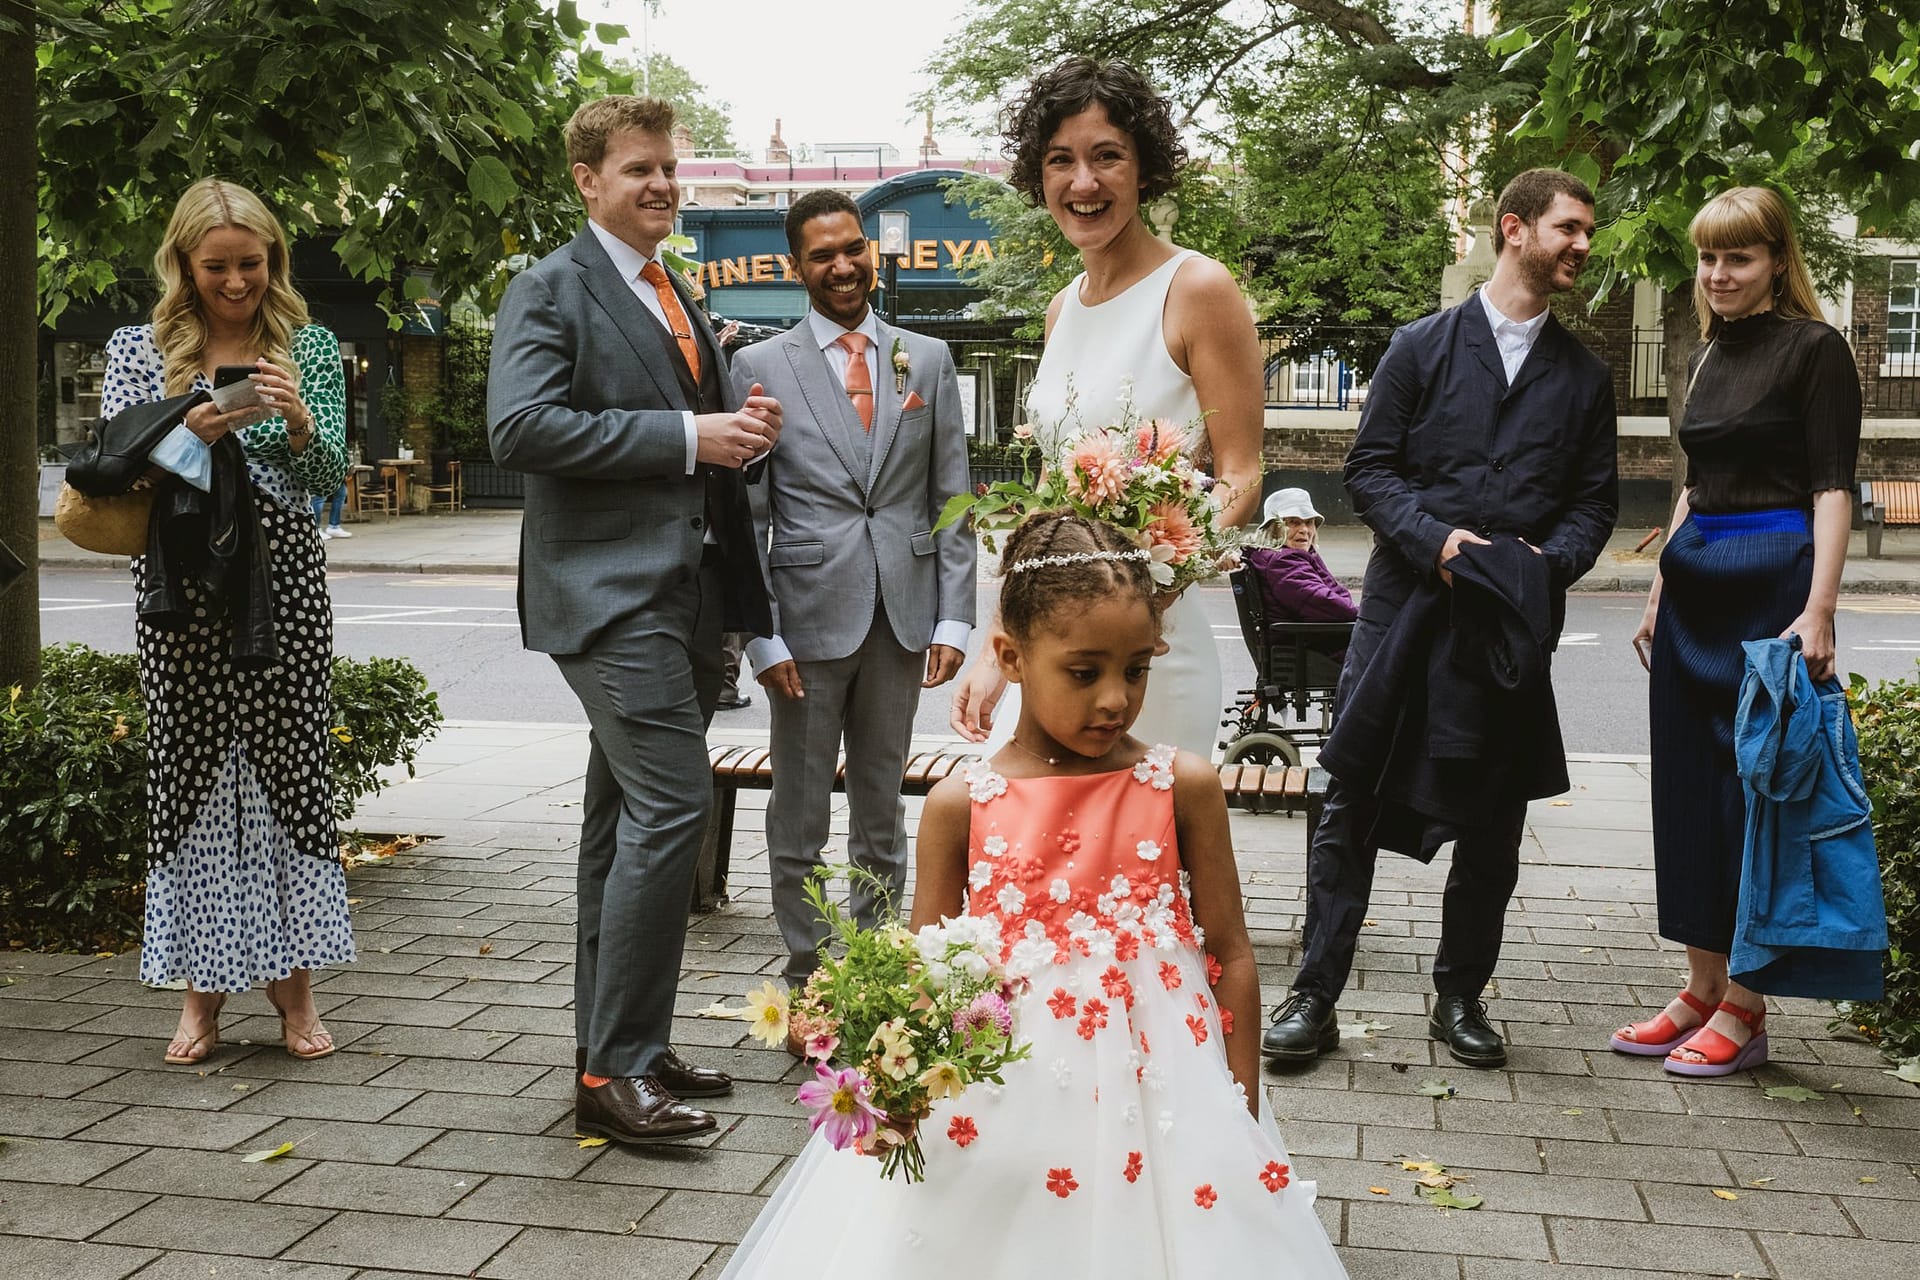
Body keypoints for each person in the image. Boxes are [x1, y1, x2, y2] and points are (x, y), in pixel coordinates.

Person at [720, 512, 1346, 1278]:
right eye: (1085, 673)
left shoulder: (1183, 784)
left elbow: (1233, 952)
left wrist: (1242, 1108)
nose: (1116, 699)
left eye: (1137, 669)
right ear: (1012, 658)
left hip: (1161, 1090)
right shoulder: (962, 803)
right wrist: (882, 1070)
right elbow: (923, 971)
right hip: (1000, 1080)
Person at [1263, 168, 1619, 1070]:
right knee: (1351, 800)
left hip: (1507, 628)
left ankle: (1460, 996)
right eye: (1568, 228)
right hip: (1405, 613)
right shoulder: (1421, 346)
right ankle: (1314, 993)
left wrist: (1546, 567)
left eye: (1588, 231)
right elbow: (1370, 470)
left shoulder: (1583, 378)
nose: (1583, 244)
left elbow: (1593, 507)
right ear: (1514, 228)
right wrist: (1441, 544)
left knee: (1495, 818)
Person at [488, 95, 782, 1145]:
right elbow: (519, 426)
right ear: (587, 179)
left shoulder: (676, 292)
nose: (660, 184)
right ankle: (615, 1073)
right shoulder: (550, 287)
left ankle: (622, 1046)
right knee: (671, 811)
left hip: (684, 597)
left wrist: (735, 432)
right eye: (637, 169)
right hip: (607, 597)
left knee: (621, 828)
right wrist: (685, 434)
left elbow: (697, 444)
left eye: (668, 167)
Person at [101, 178, 353, 1064]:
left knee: (289, 778)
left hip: (281, 582)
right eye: (217, 267)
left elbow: (328, 477)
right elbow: (116, 473)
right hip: (181, 588)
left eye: (252, 263)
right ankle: (198, 1005)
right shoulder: (140, 348)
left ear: (273, 260)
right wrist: (192, 434)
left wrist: (294, 421)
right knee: (190, 782)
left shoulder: (309, 346)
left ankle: (296, 1002)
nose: (237, 282)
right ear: (183, 264)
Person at [949, 56, 1265, 759]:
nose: (1083, 183)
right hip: (1050, 651)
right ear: (1040, 176)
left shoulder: (1198, 287)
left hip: (1147, 654)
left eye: (1107, 157)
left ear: (1144, 168)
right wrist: (996, 646)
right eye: (1060, 160)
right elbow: (1044, 502)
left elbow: (1243, 472)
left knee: (1135, 861)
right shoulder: (1063, 307)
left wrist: (1149, 592)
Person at [1614, 186, 1862, 1076]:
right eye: (1708, 259)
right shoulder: (1711, 351)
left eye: (1738, 259)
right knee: (1686, 786)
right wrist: (1657, 584)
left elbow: (1834, 484)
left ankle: (1747, 1009)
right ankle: (1698, 986)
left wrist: (1820, 606)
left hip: (1771, 580)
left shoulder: (1816, 351)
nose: (1718, 275)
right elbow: (1695, 480)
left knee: (1751, 792)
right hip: (1696, 584)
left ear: (1776, 262)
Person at [729, 190, 976, 990]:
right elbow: (745, 514)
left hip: (902, 620)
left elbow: (951, 500)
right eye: (822, 255)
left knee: (882, 810)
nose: (842, 267)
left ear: (872, 252)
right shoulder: (759, 367)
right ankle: (809, 973)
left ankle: (870, 973)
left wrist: (954, 619)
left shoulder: (927, 359)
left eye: (852, 249)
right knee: (798, 813)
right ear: (796, 267)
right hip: (803, 624)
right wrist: (760, 635)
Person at [1246, 487, 1355, 624]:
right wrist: (1366, 615)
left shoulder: (1288, 556)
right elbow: (1331, 606)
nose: (1304, 530)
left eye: (1309, 522)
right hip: (1309, 642)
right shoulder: (1284, 562)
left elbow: (1336, 598)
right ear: (1274, 529)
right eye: (1293, 522)